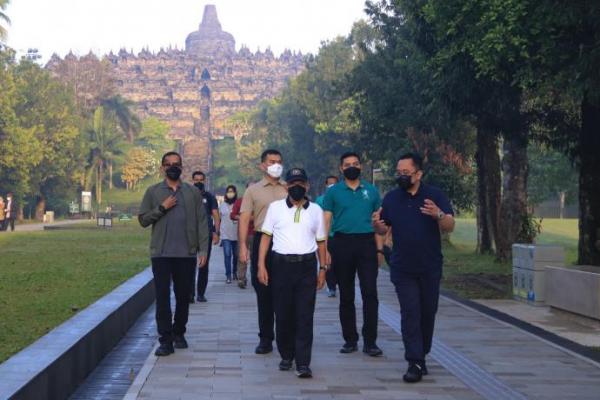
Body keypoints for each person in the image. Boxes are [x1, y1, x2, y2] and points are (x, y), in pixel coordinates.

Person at [372, 152, 455, 383]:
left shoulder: (434, 195)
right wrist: (376, 226)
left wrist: (437, 214)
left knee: (427, 313)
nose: (401, 176)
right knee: (410, 313)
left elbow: (450, 225)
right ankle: (414, 361)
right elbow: (382, 227)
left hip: (429, 266)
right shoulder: (391, 198)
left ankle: (422, 353)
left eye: (405, 173)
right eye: (398, 172)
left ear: (418, 174)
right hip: (402, 267)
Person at [258, 167, 327, 378]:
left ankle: (303, 362)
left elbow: (321, 241)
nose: (297, 187)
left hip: (306, 267)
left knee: (305, 315)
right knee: (284, 313)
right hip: (281, 266)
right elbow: (266, 237)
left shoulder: (315, 210)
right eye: (293, 183)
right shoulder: (275, 208)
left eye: (301, 183)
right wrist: (261, 264)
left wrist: (322, 268)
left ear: (307, 186)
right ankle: (286, 355)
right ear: (286, 186)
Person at [138, 151, 209, 356]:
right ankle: (165, 340)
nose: (172, 167)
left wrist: (202, 249)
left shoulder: (192, 193)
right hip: (161, 253)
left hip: (186, 253)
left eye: (176, 164)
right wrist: (162, 207)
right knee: (162, 297)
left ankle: (179, 332)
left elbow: (202, 222)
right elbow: (143, 220)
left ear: (182, 166)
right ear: (162, 168)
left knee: (183, 296)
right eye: (168, 164)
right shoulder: (153, 192)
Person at [322, 152, 384, 357]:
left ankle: (370, 341)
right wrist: (325, 249)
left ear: (361, 166)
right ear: (341, 169)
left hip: (366, 243)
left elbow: (378, 223)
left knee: (370, 293)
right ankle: (350, 339)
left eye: (355, 164)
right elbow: (326, 221)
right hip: (341, 243)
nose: (352, 167)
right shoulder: (334, 192)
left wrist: (379, 248)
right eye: (347, 164)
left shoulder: (372, 191)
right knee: (346, 294)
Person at [238, 149, 287, 354]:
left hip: (286, 243)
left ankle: (286, 337)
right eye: (271, 161)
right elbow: (244, 218)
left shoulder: (290, 187)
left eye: (278, 161)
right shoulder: (253, 190)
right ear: (262, 165)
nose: (275, 165)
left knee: (284, 292)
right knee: (263, 290)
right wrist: (242, 246)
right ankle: (265, 338)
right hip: (261, 241)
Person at [191, 171, 221, 302]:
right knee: (189, 265)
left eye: (201, 180)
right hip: (190, 235)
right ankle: (189, 293)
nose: (198, 182)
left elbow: (215, 215)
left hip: (206, 235)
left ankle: (200, 293)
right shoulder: (187, 196)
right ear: (192, 180)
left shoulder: (209, 197)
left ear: (204, 181)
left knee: (203, 264)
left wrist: (216, 232)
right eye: (196, 179)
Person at [315, 175, 339, 297]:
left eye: (334, 183)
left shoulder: (342, 199)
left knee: (339, 261)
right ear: (326, 185)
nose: (331, 186)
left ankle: (339, 282)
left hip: (340, 234)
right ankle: (331, 286)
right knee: (328, 261)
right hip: (326, 235)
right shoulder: (320, 200)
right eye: (329, 183)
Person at [231, 182, 254, 289]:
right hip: (243, 233)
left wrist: (251, 218)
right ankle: (241, 278)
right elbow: (233, 215)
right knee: (242, 256)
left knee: (256, 257)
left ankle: (255, 278)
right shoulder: (240, 201)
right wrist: (242, 218)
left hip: (256, 233)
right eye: (250, 188)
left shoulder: (258, 201)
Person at [219, 185, 239, 283]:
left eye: (232, 191)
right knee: (227, 254)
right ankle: (228, 275)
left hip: (237, 234)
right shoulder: (222, 205)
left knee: (236, 255)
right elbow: (218, 219)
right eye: (228, 191)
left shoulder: (238, 204)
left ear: (235, 193)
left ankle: (235, 271)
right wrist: (217, 232)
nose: (230, 193)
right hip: (225, 234)